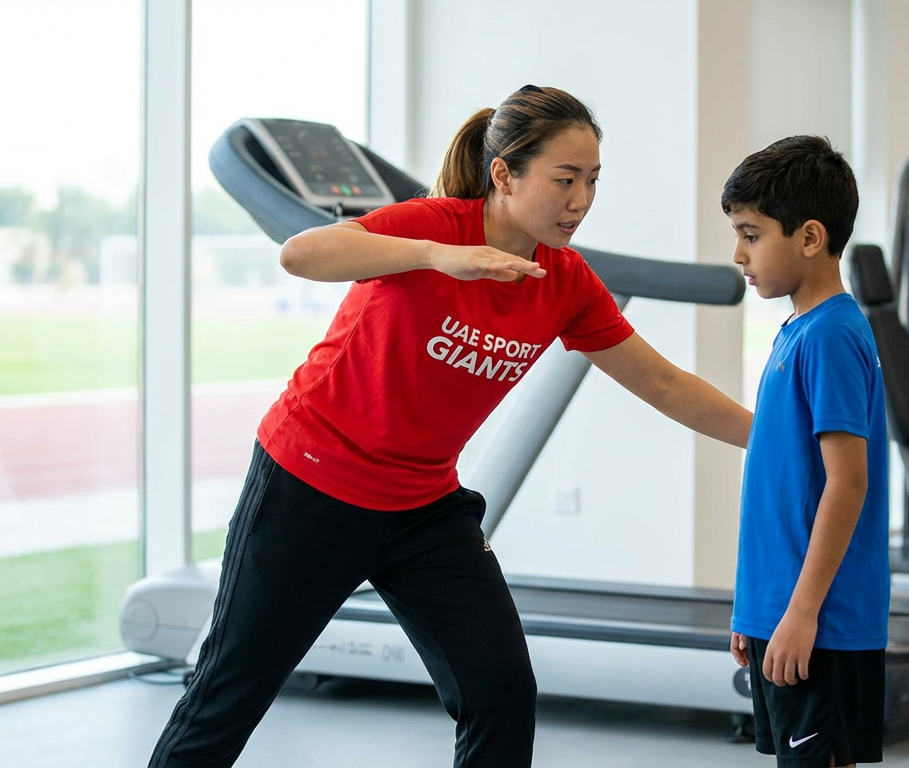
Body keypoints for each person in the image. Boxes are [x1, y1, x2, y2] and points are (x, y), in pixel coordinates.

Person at [149, 84, 755, 768]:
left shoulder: (566, 282)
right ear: (504, 174)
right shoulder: (432, 225)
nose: (581, 200)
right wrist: (437, 256)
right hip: (311, 487)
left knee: (499, 692)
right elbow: (301, 255)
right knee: (230, 692)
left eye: (591, 181)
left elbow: (666, 383)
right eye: (564, 180)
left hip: (421, 509)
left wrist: (771, 439)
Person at [722, 136, 889, 768]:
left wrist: (800, 612)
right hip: (780, 609)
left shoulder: (832, 335)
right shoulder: (797, 331)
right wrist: (757, 606)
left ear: (810, 237)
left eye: (751, 234)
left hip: (822, 621)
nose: (739, 254)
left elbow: (847, 484)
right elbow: (780, 485)